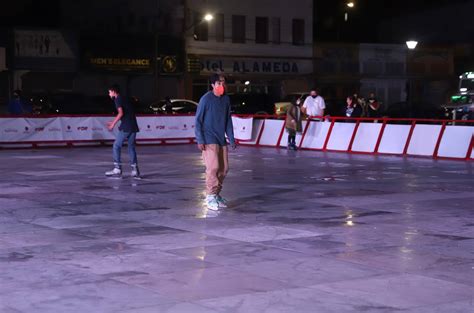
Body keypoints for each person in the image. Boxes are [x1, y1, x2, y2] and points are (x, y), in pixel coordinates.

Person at [195, 73, 236, 211]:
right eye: (219, 83)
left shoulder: (226, 100)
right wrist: (200, 139)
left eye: (223, 82)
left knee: (224, 169)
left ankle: (216, 194)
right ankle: (210, 196)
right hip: (208, 138)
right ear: (212, 85)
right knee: (213, 167)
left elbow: (228, 120)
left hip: (221, 139)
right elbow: (198, 120)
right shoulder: (206, 99)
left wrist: (231, 138)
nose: (222, 85)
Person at [105, 84, 141, 178]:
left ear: (113, 91)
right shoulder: (124, 98)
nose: (109, 94)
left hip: (127, 126)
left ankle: (117, 168)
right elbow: (127, 112)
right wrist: (113, 121)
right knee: (131, 147)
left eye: (109, 92)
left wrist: (113, 124)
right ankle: (135, 170)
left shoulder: (117, 99)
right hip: (133, 125)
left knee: (116, 146)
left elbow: (121, 113)